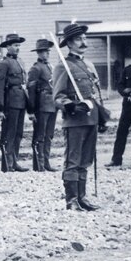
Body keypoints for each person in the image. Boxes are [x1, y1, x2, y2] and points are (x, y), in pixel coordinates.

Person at [52, 23, 106, 211]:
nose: (83, 42)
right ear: (69, 43)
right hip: (75, 120)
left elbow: (96, 94)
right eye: (78, 39)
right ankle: (72, 199)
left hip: (92, 118)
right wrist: (73, 106)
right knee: (73, 160)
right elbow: (58, 97)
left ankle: (82, 197)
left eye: (84, 38)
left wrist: (101, 116)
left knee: (86, 160)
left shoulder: (89, 65)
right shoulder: (63, 66)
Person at [0, 33, 30, 172]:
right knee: (9, 133)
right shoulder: (3, 63)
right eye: (15, 45)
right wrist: (0, 108)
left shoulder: (20, 61)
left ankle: (14, 161)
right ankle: (7, 163)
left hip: (20, 101)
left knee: (18, 133)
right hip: (10, 102)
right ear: (8, 47)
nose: (18, 48)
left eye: (19, 45)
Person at [26, 39, 58, 172]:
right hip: (41, 105)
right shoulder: (36, 68)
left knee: (49, 135)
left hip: (52, 104)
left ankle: (46, 162)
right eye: (44, 51)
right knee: (40, 135)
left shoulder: (50, 67)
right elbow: (31, 90)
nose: (47, 54)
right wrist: (31, 110)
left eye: (48, 51)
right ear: (38, 53)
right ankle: (38, 164)